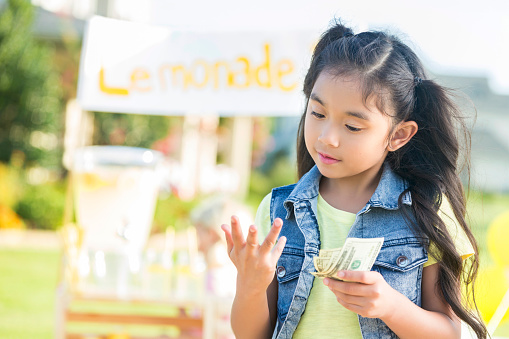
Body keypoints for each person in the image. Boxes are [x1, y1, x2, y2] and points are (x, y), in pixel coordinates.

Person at [221, 20, 487, 339]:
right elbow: (251, 335)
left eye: (353, 127)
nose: (327, 137)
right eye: (318, 114)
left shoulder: (429, 211)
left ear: (398, 135)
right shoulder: (277, 211)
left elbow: (449, 333)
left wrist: (390, 306)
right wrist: (249, 286)